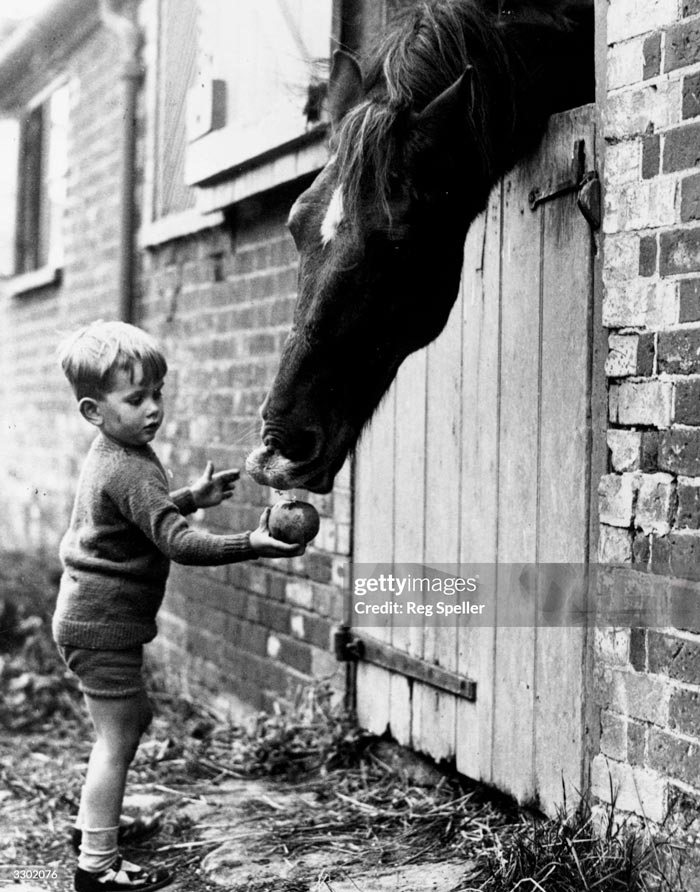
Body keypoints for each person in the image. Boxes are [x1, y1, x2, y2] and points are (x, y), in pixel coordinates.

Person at [53, 320, 303, 892]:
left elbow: (140, 515)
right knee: (117, 739)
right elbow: (178, 542)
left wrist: (192, 497)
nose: (153, 409)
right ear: (93, 411)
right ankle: (96, 865)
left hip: (92, 619)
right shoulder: (131, 465)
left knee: (128, 722)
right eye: (135, 398)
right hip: (102, 626)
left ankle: (96, 823)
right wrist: (251, 543)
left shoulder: (116, 452)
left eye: (157, 394)